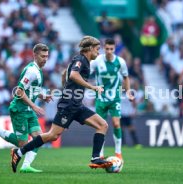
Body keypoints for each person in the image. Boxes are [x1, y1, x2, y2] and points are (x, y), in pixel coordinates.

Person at [10, 36, 113, 173]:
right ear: (89, 48)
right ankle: (19, 152)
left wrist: (67, 89)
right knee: (52, 135)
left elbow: (66, 73)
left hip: (76, 104)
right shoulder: (81, 59)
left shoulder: (82, 61)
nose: (98, 52)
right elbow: (73, 75)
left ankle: (95, 158)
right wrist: (92, 87)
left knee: (103, 125)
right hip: (69, 105)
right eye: (97, 49)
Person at [0, 43, 52, 173]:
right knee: (23, 144)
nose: (45, 59)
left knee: (39, 139)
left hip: (29, 111)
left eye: (47, 56)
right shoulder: (31, 70)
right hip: (19, 109)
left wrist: (43, 96)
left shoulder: (39, 70)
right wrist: (34, 105)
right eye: (43, 56)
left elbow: (32, 90)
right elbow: (19, 91)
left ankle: (25, 166)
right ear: (35, 55)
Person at [90, 38, 134, 160]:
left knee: (116, 123)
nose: (109, 51)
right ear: (104, 48)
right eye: (107, 49)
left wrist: (128, 91)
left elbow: (126, 77)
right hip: (100, 99)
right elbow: (86, 72)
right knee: (100, 126)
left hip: (115, 98)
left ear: (115, 49)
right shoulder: (97, 61)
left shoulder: (120, 62)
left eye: (111, 49)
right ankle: (100, 154)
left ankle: (118, 153)